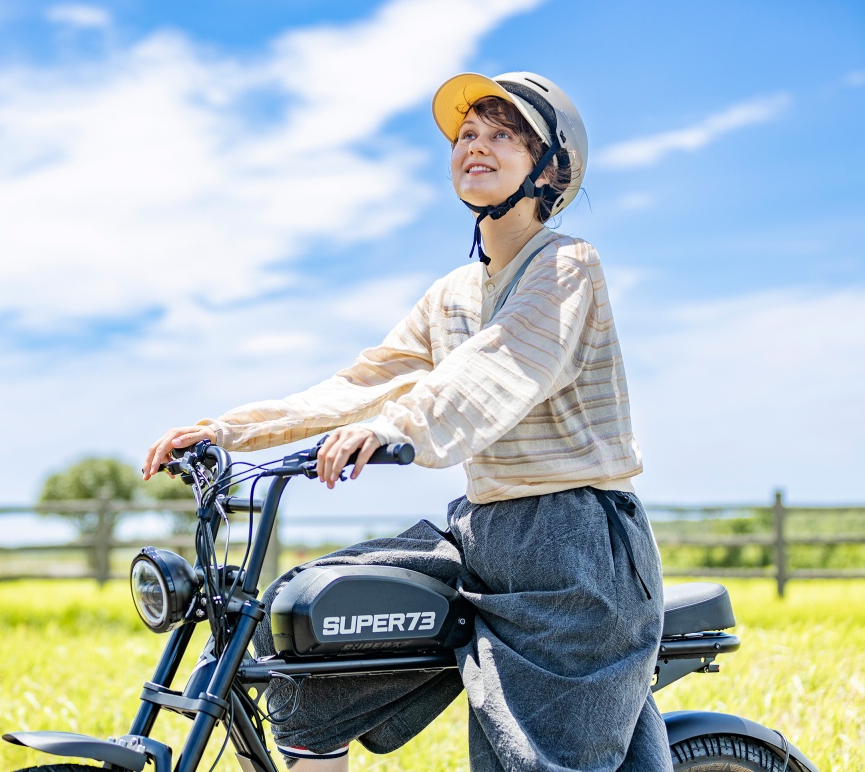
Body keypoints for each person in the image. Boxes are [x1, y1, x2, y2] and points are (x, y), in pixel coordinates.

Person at [143, 71, 671, 772]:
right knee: (303, 632)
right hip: (479, 530)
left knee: (535, 759)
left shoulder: (568, 266)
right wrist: (229, 431)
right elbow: (364, 381)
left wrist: (401, 427)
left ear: (549, 169)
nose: (476, 147)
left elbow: (504, 362)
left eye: (503, 136)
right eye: (467, 135)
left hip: (574, 544)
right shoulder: (451, 293)